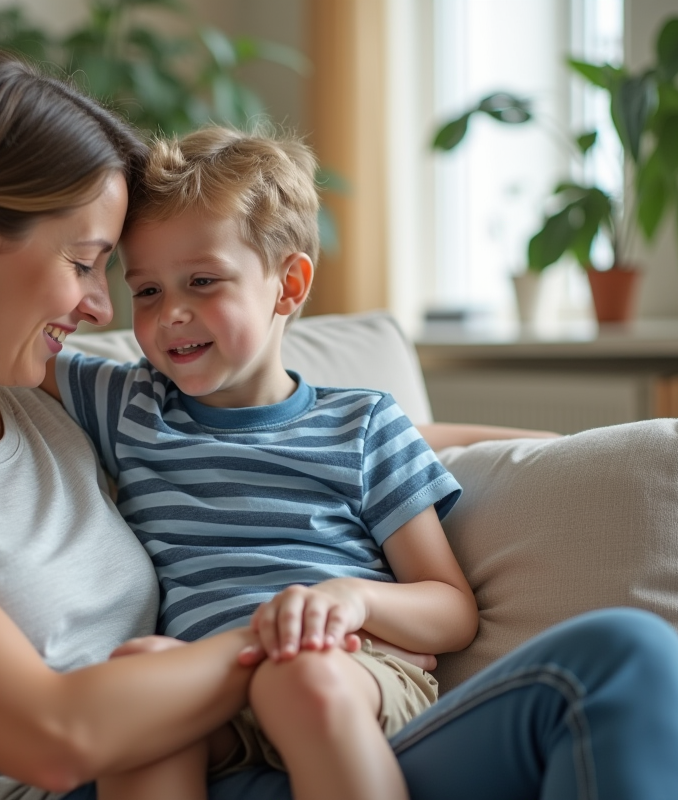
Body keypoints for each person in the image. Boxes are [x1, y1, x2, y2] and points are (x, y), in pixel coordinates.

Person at [0, 50, 678, 800]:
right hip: (104, 775)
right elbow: (49, 731)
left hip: (236, 745)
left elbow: (343, 431)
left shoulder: (43, 399)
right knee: (621, 660)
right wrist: (287, 629)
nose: (107, 311)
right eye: (85, 265)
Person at [37, 126, 477, 800]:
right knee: (136, 681)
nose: (170, 314)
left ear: (289, 285)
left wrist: (352, 599)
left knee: (297, 677)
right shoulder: (130, 405)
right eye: (147, 291)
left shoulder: (364, 425)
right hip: (211, 683)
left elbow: (451, 609)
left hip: (346, 673)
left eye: (203, 281)